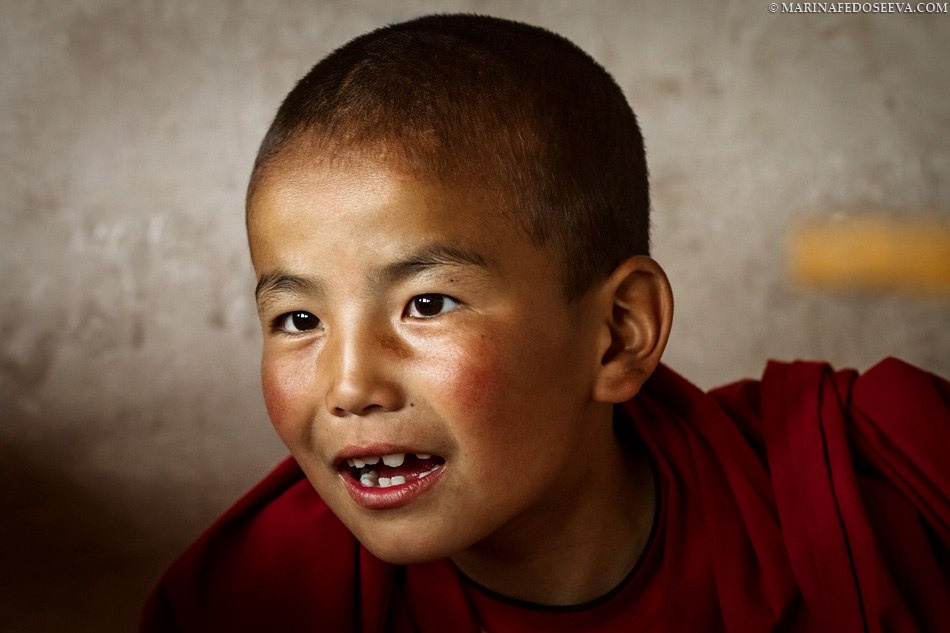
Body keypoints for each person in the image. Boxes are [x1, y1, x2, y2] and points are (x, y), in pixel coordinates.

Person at [141, 14, 949, 632]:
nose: (348, 384)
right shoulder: (248, 597)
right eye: (298, 317)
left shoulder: (882, 475)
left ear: (620, 331)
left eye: (426, 303)